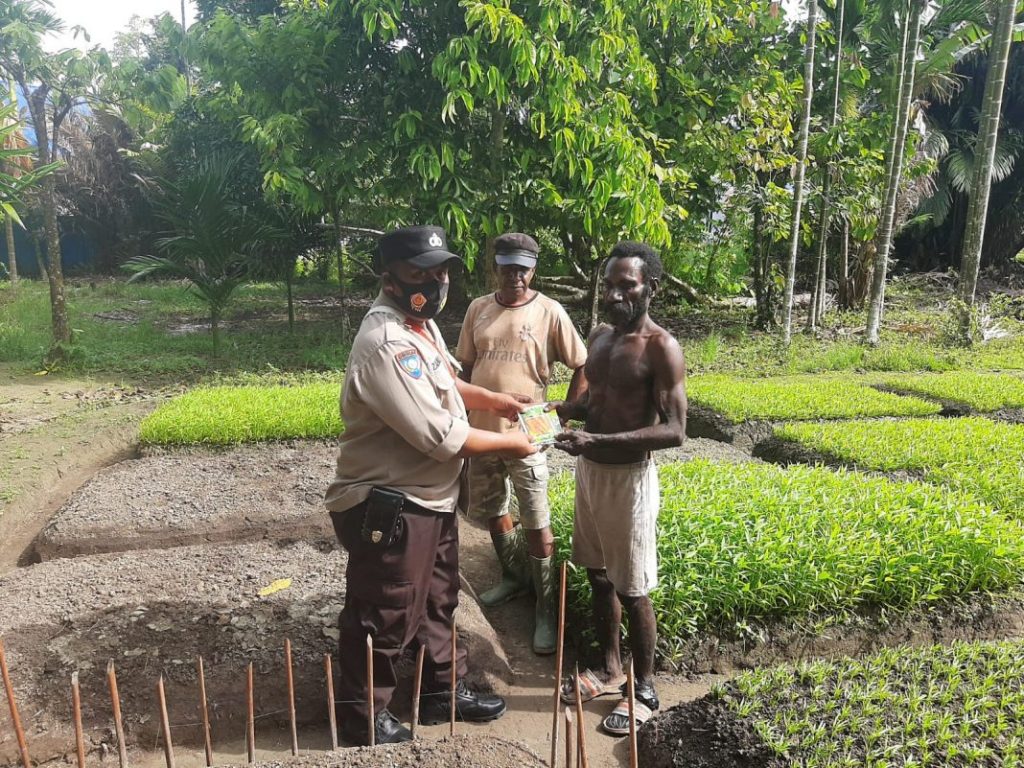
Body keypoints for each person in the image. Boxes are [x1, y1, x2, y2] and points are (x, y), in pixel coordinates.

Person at [324, 225, 538, 747]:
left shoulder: (419, 327)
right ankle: (362, 717)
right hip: (389, 504)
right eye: (421, 272)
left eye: (441, 270)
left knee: (439, 601)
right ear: (389, 277)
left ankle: (439, 690)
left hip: (429, 499)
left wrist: (496, 401)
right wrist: (514, 445)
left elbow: (445, 381)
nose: (436, 281)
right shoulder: (385, 343)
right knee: (387, 608)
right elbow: (441, 436)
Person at [552, 241, 686, 737]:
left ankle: (644, 687)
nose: (614, 294)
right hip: (589, 473)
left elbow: (674, 430)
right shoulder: (601, 339)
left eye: (626, 285)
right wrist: (565, 414)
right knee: (597, 575)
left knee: (633, 588)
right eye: (608, 285)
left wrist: (598, 439)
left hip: (628, 477)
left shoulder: (661, 348)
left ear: (651, 286)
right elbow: (598, 404)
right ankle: (609, 669)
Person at [456, 232, 587, 655]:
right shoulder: (478, 308)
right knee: (494, 510)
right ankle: (513, 576)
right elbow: (467, 366)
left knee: (536, 517)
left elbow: (581, 363)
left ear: (533, 269)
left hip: (528, 436)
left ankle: (545, 607)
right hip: (482, 431)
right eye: (507, 266)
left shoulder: (549, 311)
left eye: (522, 268)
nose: (515, 275)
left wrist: (564, 410)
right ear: (495, 266)